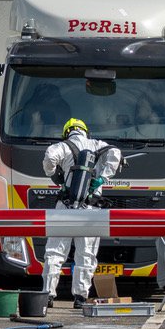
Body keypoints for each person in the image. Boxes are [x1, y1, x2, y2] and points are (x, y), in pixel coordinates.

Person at [40, 118, 123, 308]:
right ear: (86, 132)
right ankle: (80, 297)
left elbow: (50, 157)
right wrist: (102, 178)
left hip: (65, 207)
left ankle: (48, 294)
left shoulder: (62, 146)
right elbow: (116, 153)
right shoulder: (97, 145)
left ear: (67, 132)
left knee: (55, 252)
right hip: (90, 209)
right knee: (86, 254)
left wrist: (53, 174)